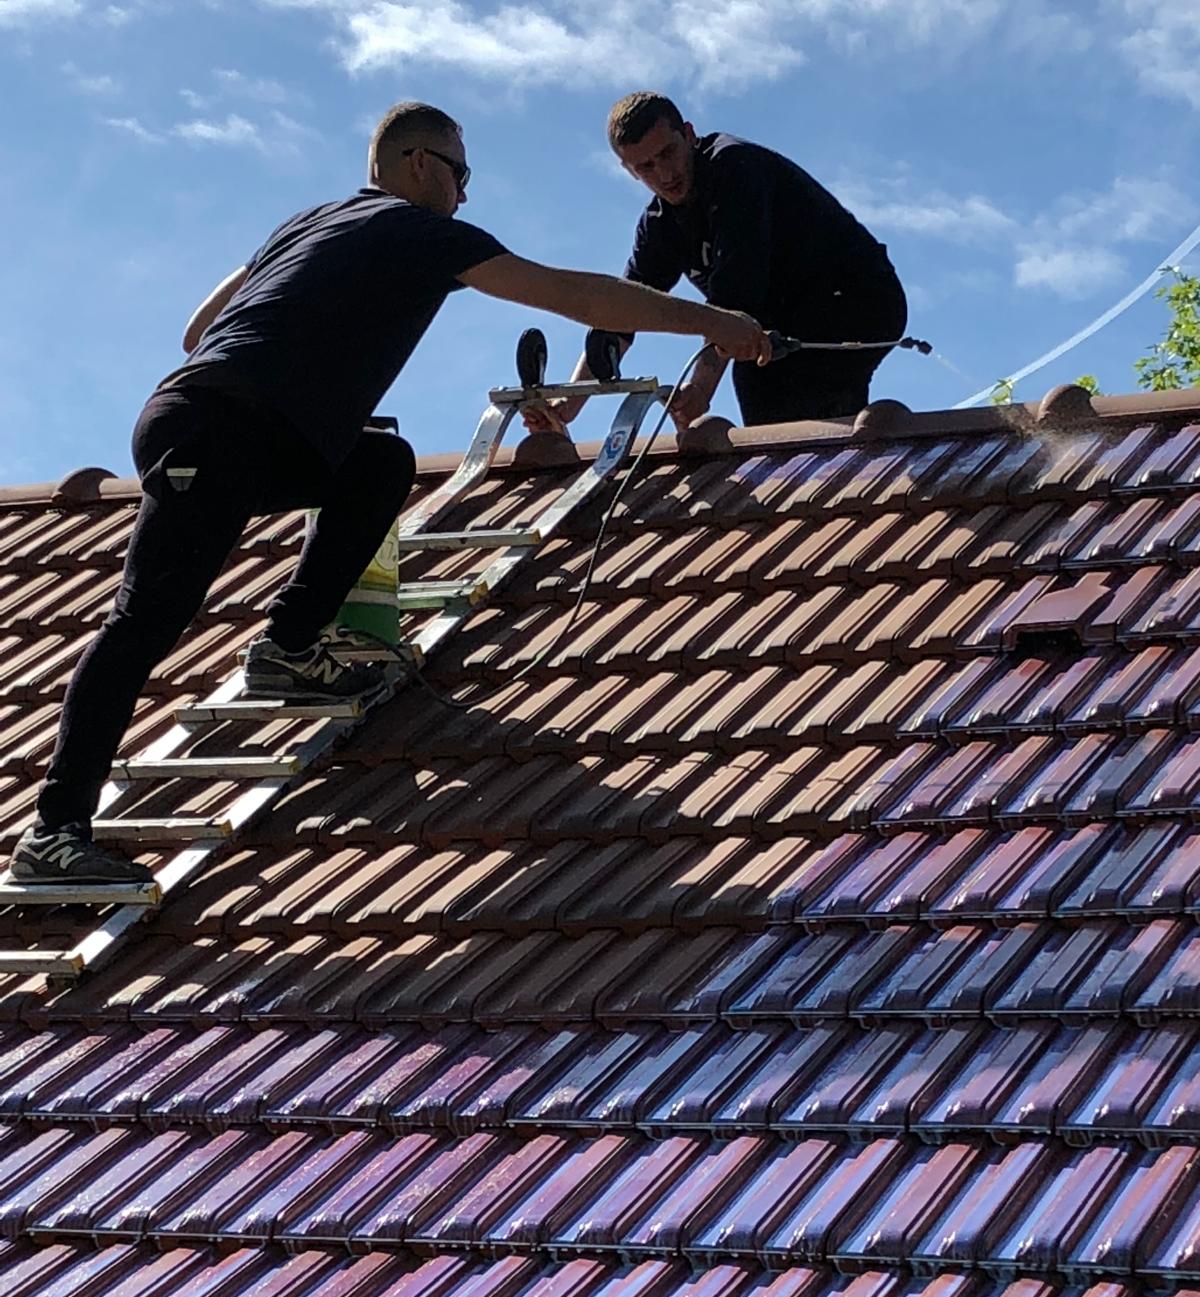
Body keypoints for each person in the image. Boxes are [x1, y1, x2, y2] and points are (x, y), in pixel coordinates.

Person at [10, 100, 771, 888]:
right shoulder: (421, 233)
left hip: (242, 426)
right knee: (143, 622)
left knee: (376, 464)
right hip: (217, 431)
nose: (465, 194)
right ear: (417, 164)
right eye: (460, 173)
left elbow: (199, 328)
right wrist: (713, 321)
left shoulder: (312, 221)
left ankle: (288, 647)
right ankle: (55, 836)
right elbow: (577, 296)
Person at [525, 92, 906, 436]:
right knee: (761, 383)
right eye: (645, 167)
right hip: (778, 317)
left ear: (689, 134)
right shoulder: (659, 225)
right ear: (628, 169)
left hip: (856, 300)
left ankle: (835, 473)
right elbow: (623, 311)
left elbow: (735, 298)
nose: (664, 174)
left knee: (780, 385)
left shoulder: (734, 170)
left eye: (668, 153)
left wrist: (700, 388)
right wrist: (568, 404)